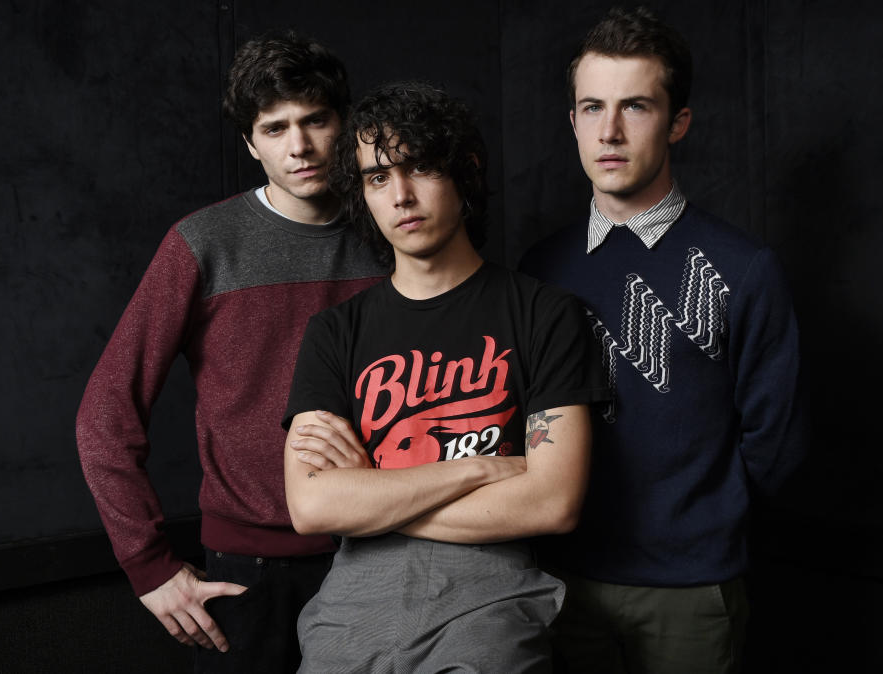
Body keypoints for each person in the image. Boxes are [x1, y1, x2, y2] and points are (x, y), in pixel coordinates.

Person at [75, 33, 386, 672]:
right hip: (251, 573)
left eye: (315, 121)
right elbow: (105, 411)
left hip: (386, 548)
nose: (298, 146)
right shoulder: (203, 243)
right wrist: (148, 565)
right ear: (251, 144)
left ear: (345, 123)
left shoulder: (394, 229)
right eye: (274, 129)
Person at [280, 81, 610, 673]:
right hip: (354, 601)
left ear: (466, 172)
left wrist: (372, 492)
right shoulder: (335, 332)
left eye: (422, 167)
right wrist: (482, 469)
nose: (401, 195)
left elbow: (554, 501)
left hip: (491, 594)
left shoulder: (544, 313)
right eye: (378, 177)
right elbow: (312, 505)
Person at [520, 7, 807, 673]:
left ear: (677, 120)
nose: (610, 131)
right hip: (563, 582)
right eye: (592, 107)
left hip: (693, 589)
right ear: (572, 122)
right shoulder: (540, 267)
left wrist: (703, 523)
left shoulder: (743, 268)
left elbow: (777, 441)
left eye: (637, 107)